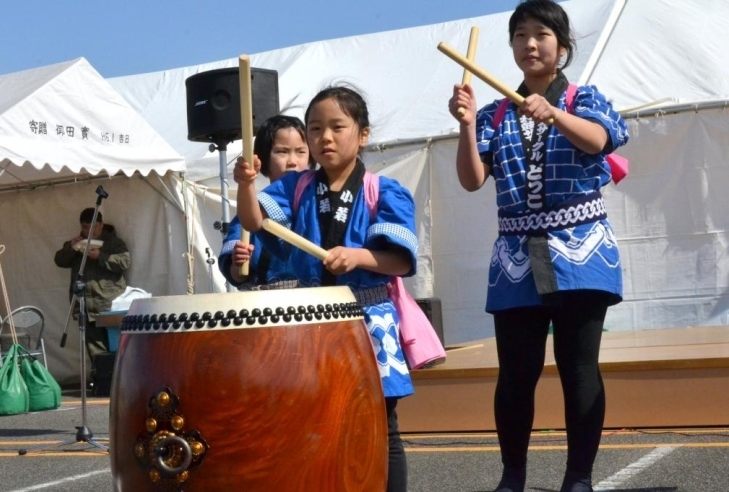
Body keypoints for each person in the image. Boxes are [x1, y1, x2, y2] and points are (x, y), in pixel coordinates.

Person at [448, 1, 629, 491]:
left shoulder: (583, 98)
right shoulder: (493, 113)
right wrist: (465, 124)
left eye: (541, 34)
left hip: (580, 248)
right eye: (519, 35)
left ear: (562, 47)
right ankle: (512, 476)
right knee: (516, 374)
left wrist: (553, 114)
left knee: (579, 368)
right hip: (515, 255)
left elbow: (602, 140)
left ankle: (579, 477)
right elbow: (471, 179)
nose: (529, 43)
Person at [235, 85, 417, 492]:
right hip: (310, 325)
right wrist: (246, 184)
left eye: (337, 127)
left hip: (368, 322)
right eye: (315, 129)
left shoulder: (383, 191)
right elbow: (252, 221)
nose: (325, 138)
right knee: (312, 422)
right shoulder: (295, 187)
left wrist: (359, 257)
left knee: (381, 425)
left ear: (363, 134)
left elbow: (400, 261)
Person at [218, 115, 311, 288]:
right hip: (264, 303)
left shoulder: (316, 205)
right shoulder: (251, 210)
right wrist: (238, 264)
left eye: (301, 151)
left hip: (316, 301)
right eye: (282, 152)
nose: (292, 162)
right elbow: (237, 276)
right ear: (263, 158)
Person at [54, 208, 130, 361]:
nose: (89, 231)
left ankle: (118, 382)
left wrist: (100, 256)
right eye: (85, 227)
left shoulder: (113, 242)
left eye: (93, 227)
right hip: (86, 307)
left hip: (110, 305)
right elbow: (60, 261)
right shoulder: (77, 243)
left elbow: (124, 262)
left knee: (118, 349)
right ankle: (100, 381)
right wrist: (71, 248)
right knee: (96, 354)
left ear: (101, 225)